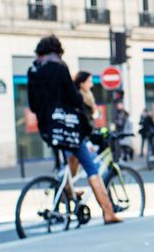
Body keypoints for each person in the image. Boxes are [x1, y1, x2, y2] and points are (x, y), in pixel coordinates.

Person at [26, 36, 121, 224]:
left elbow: (33, 104)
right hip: (66, 126)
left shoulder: (33, 69)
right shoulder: (60, 67)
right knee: (90, 166)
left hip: (46, 126)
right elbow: (73, 97)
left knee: (69, 162)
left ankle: (68, 192)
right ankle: (108, 212)